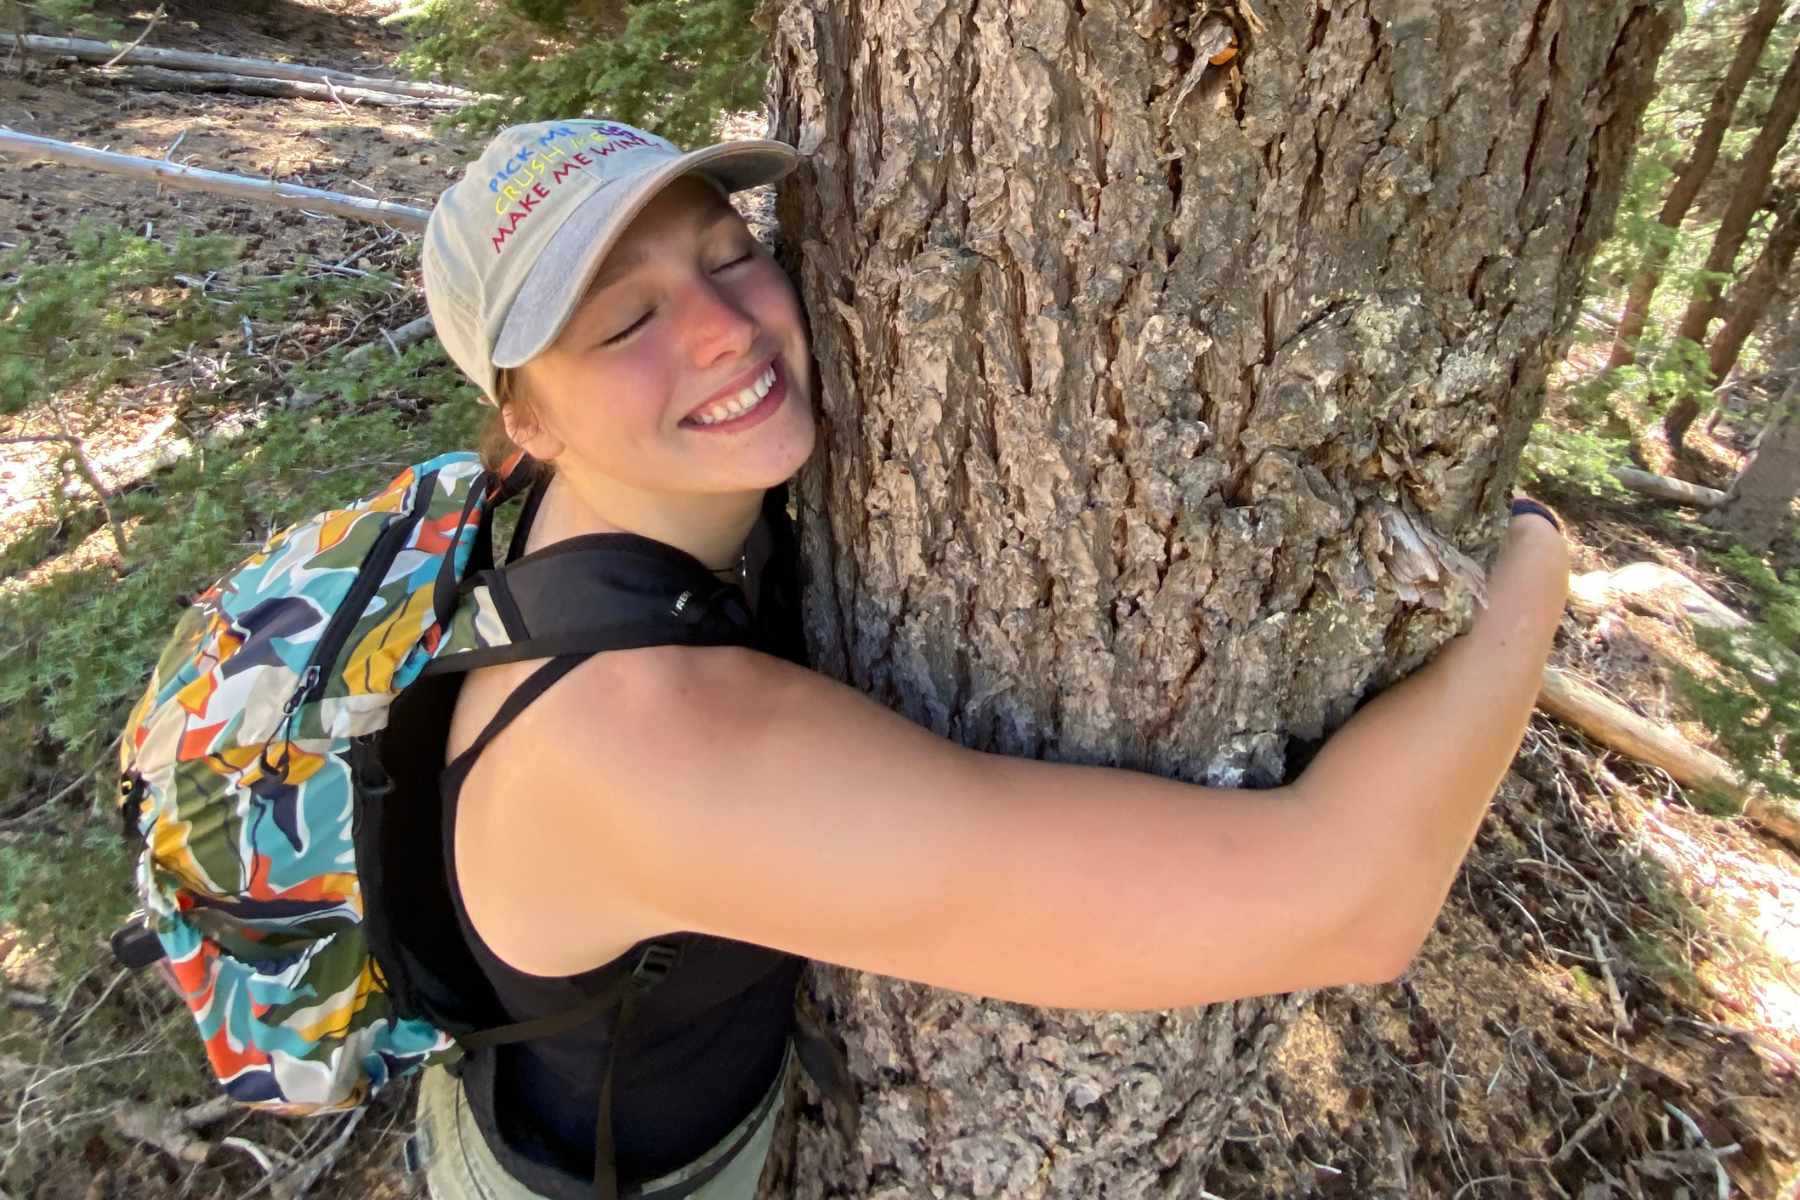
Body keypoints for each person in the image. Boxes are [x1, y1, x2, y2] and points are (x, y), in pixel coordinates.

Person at [407, 118, 1571, 1200]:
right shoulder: (656, 744)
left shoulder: (628, 523)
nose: (724, 328)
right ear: (532, 428)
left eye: (728, 254)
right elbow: (1350, 902)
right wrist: (1536, 555)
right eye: (622, 323)